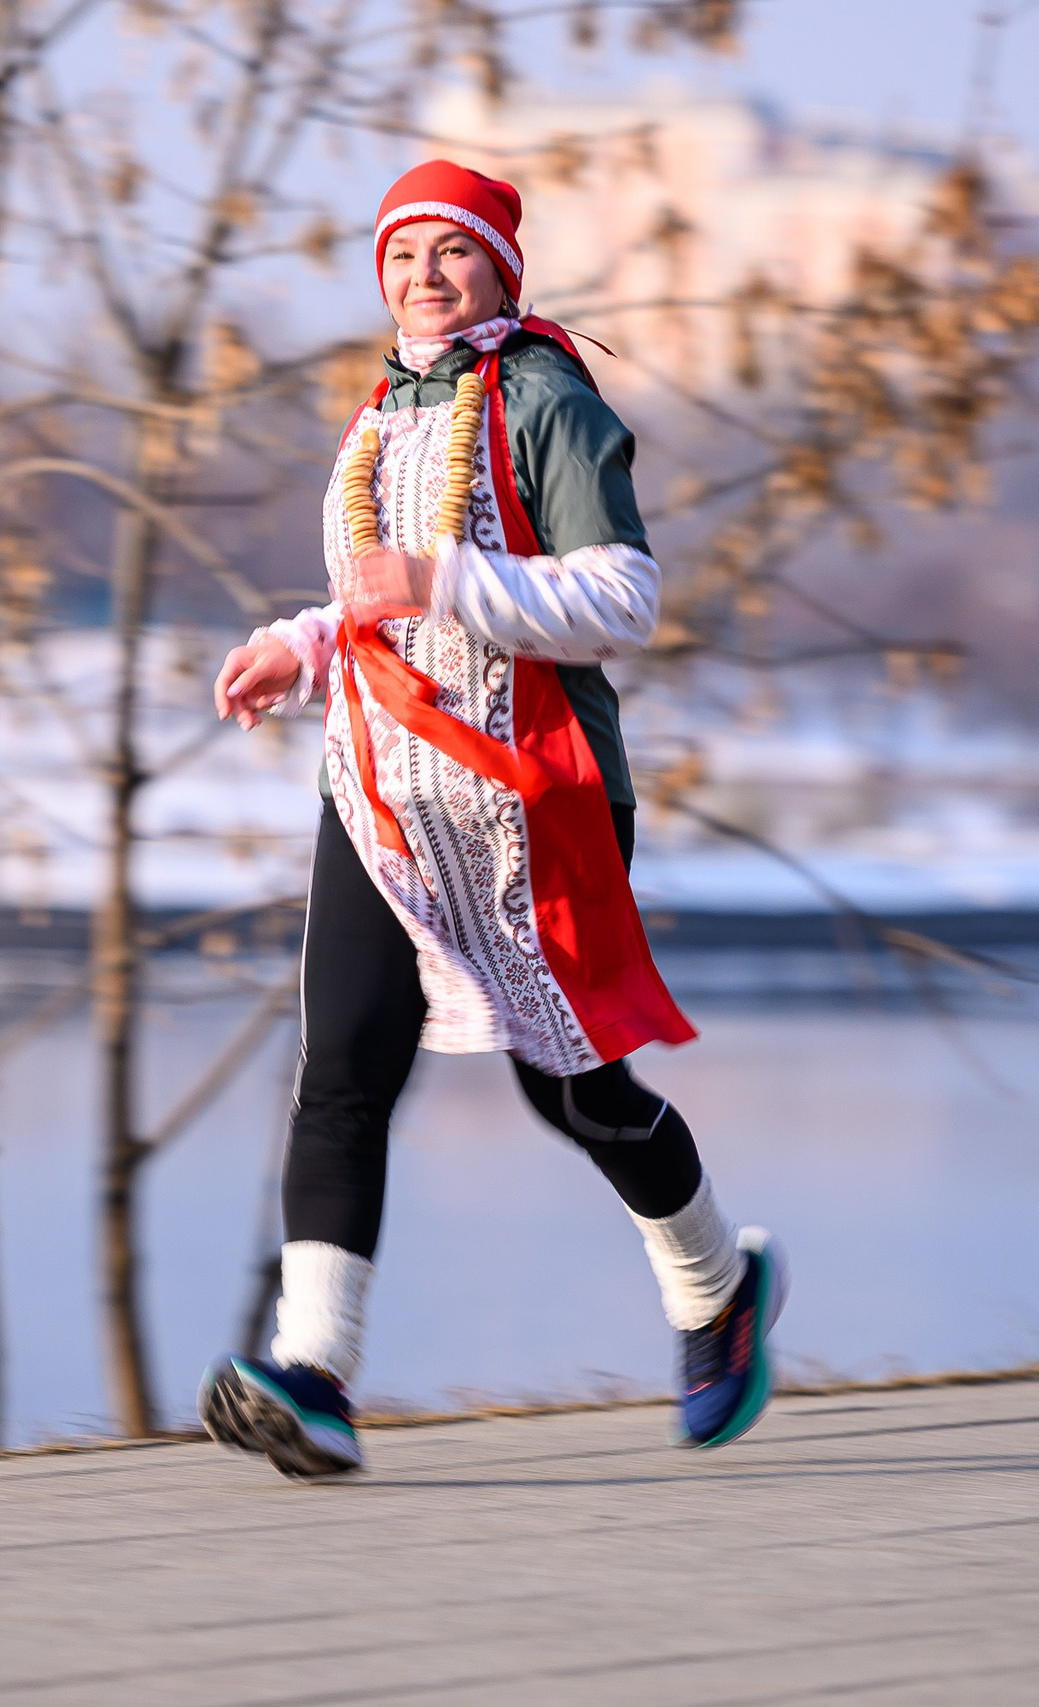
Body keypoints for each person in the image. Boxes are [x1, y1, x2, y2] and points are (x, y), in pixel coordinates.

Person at [197, 162, 787, 1480]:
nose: (423, 276)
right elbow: (376, 594)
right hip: (386, 791)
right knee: (343, 1066)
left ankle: (715, 1293)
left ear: (499, 271)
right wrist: (304, 644)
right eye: (402, 254)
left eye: (450, 254)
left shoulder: (542, 396)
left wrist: (443, 579)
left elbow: (624, 598)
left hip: (536, 801)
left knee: (571, 1089)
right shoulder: (380, 415)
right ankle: (315, 1374)